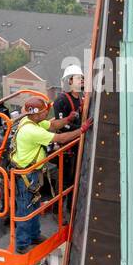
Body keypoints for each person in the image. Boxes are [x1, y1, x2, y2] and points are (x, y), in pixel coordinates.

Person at [10, 94, 89, 254]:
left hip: (31, 173)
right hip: (26, 175)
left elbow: (52, 125)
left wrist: (67, 119)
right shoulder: (32, 130)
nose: (47, 113)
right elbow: (60, 138)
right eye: (44, 111)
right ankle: (22, 244)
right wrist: (81, 130)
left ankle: (34, 235)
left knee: (34, 205)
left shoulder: (31, 121)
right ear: (37, 114)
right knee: (26, 209)